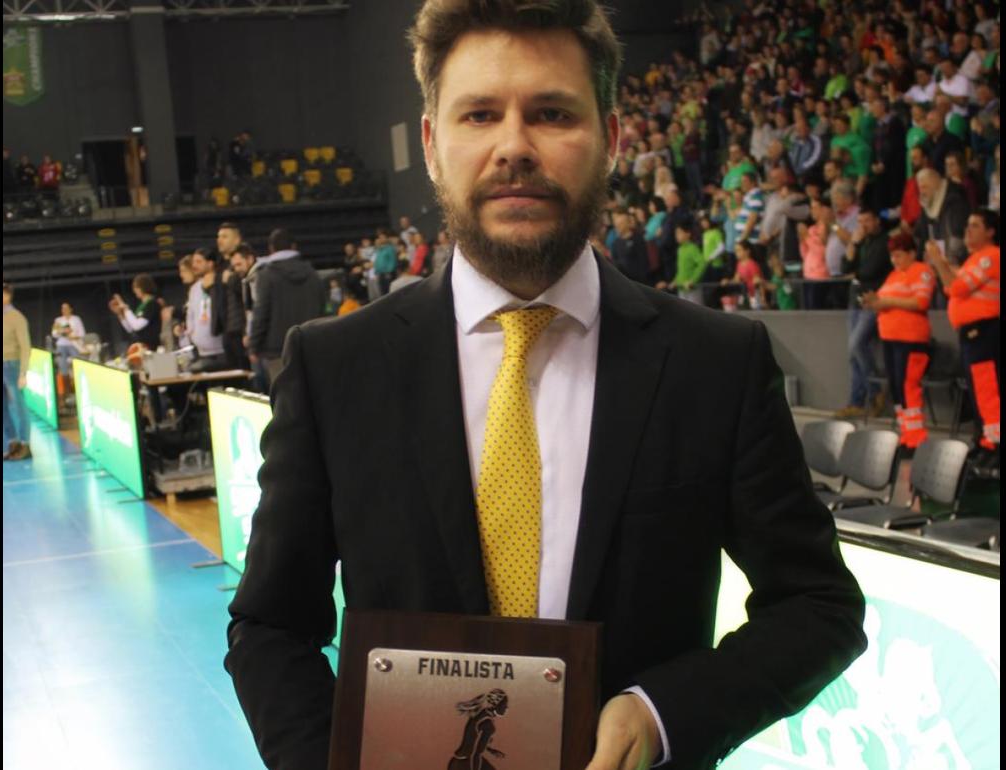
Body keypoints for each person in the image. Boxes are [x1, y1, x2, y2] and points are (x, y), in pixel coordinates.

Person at [224, 4, 865, 770]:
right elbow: (268, 628)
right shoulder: (334, 370)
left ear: (612, 139)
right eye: (480, 114)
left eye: (552, 113)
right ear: (432, 143)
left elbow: (818, 605)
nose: (514, 148)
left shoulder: (714, 365)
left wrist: (666, 713)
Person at [924, 209, 1000, 477]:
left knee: (988, 393)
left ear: (990, 231)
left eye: (975, 226)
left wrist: (937, 260)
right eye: (967, 225)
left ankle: (995, 447)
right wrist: (944, 266)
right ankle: (984, 440)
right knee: (978, 393)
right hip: (971, 336)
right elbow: (949, 285)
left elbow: (955, 288)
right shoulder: (974, 260)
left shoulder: (991, 256)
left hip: (986, 334)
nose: (968, 231)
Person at [860, 233, 936, 454]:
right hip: (890, 339)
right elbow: (883, 301)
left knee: (908, 388)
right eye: (892, 256)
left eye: (899, 255)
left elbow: (920, 301)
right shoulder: (893, 275)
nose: (895, 260)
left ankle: (917, 438)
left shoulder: (922, 271)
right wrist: (873, 302)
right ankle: (907, 436)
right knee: (896, 388)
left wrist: (886, 301)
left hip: (911, 340)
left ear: (912, 253)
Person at [247, 228, 327, 386]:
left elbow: (261, 312)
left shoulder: (266, 275)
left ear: (271, 248)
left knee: (285, 399)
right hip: (310, 345)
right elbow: (322, 308)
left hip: (277, 350)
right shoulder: (312, 273)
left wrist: (254, 346)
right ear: (294, 246)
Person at [835, 208, 891, 419]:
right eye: (860, 221)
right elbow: (844, 266)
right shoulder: (861, 241)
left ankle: (876, 393)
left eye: (867, 220)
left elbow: (869, 271)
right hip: (854, 300)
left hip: (872, 301)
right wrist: (854, 243)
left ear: (876, 220)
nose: (863, 225)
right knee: (852, 354)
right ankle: (856, 402)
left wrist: (854, 266)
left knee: (856, 345)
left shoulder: (883, 242)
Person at [184, 248, 228, 372]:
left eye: (198, 262)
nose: (194, 266)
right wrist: (191, 333)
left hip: (222, 350)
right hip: (201, 352)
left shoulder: (221, 282)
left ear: (210, 263)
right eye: (193, 262)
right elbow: (191, 315)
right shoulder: (194, 289)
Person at [2, 283, 33, 461]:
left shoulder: (17, 317)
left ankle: (25, 443)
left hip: (11, 365)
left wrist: (23, 373)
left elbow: (25, 346)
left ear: (7, 296)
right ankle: (12, 442)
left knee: (19, 405)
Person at [110, 273, 163, 353]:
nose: (134, 290)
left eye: (136, 287)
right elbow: (130, 329)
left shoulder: (152, 304)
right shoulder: (141, 306)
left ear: (144, 287)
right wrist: (120, 314)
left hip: (151, 348)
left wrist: (125, 308)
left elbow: (137, 326)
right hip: (139, 347)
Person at [50, 302, 86, 382]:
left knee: (77, 361)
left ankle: (78, 380)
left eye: (66, 308)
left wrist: (73, 336)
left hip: (74, 344)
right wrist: (62, 332)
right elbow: (54, 334)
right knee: (62, 362)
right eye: (62, 308)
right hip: (61, 344)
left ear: (70, 309)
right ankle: (65, 383)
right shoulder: (58, 320)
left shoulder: (76, 319)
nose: (64, 310)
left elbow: (82, 333)